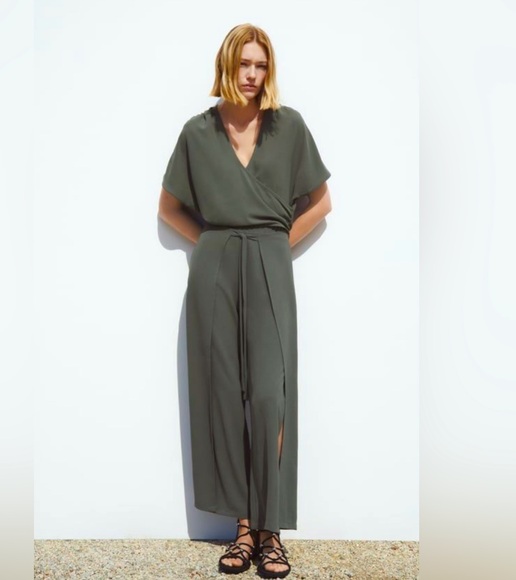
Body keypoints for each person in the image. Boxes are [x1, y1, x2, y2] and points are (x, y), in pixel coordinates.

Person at [158, 23, 332, 579]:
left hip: (270, 265)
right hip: (215, 268)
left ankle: (271, 530)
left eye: (261, 65)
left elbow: (321, 202)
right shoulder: (197, 132)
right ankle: (242, 528)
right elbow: (169, 208)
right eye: (244, 64)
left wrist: (276, 244)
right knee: (224, 396)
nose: (253, 75)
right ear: (227, 66)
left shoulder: (289, 126)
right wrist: (212, 246)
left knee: (269, 395)